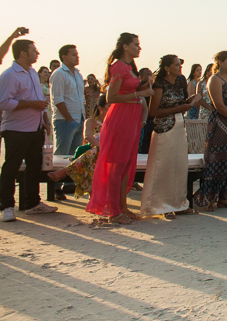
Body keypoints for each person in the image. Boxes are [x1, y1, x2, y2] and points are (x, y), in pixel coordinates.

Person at [86, 33, 152, 224]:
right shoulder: (118, 67)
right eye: (136, 45)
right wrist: (138, 93)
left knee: (126, 164)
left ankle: (122, 206)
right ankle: (113, 211)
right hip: (121, 117)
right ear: (125, 46)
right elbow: (111, 97)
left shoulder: (131, 68)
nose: (139, 48)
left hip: (131, 117)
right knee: (117, 164)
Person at [0, 39, 57, 221]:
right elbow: (4, 103)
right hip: (16, 130)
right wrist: (31, 104)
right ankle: (7, 206)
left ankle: (33, 203)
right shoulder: (10, 75)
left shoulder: (32, 72)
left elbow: (40, 100)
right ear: (23, 53)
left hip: (36, 129)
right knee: (11, 167)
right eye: (34, 50)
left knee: (34, 167)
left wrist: (45, 121)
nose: (37, 53)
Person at [140, 55, 200, 219]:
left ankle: (179, 203)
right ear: (167, 68)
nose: (179, 66)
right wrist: (180, 108)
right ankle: (160, 205)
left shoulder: (180, 82)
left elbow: (180, 104)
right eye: (176, 64)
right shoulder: (160, 84)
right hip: (164, 128)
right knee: (163, 167)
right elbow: (154, 112)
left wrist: (189, 103)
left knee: (178, 166)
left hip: (180, 126)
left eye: (180, 64)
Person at [193, 51, 227, 211]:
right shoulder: (214, 80)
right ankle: (211, 198)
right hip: (221, 124)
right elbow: (219, 105)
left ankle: (223, 197)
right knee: (218, 160)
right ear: (220, 62)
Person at [47, 94, 108, 198]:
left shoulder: (113, 123)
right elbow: (87, 136)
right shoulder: (90, 121)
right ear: (101, 108)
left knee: (96, 156)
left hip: (102, 154)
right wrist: (101, 147)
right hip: (92, 152)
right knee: (95, 153)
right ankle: (94, 195)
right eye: (109, 106)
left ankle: (66, 171)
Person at [50, 45, 86, 200]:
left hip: (79, 119)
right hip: (65, 120)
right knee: (61, 154)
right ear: (64, 57)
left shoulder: (77, 74)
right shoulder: (58, 74)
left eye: (77, 54)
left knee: (74, 154)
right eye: (73, 54)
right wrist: (69, 118)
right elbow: (57, 99)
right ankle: (55, 188)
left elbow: (80, 98)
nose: (77, 57)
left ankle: (70, 183)